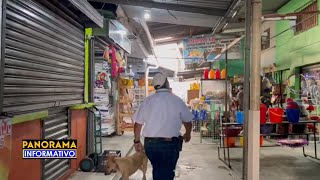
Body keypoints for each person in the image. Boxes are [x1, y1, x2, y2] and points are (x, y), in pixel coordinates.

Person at [132, 73, 193, 180]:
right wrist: (188, 133)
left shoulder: (147, 101)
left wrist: (137, 141)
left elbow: (138, 123)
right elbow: (187, 121)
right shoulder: (177, 100)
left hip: (151, 146)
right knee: (167, 172)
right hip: (170, 145)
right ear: (166, 83)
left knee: (158, 169)